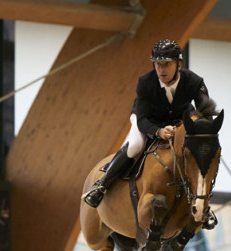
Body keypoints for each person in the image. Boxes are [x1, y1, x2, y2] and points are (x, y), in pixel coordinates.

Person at [83, 39, 212, 208]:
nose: (161, 69)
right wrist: (158, 132)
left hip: (179, 122)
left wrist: (198, 131)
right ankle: (101, 185)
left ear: (178, 65)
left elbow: (206, 113)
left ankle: (205, 203)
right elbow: (142, 118)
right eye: (157, 64)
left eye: (166, 64)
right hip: (147, 119)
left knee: (200, 152)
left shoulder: (194, 81)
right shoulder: (145, 82)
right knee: (136, 145)